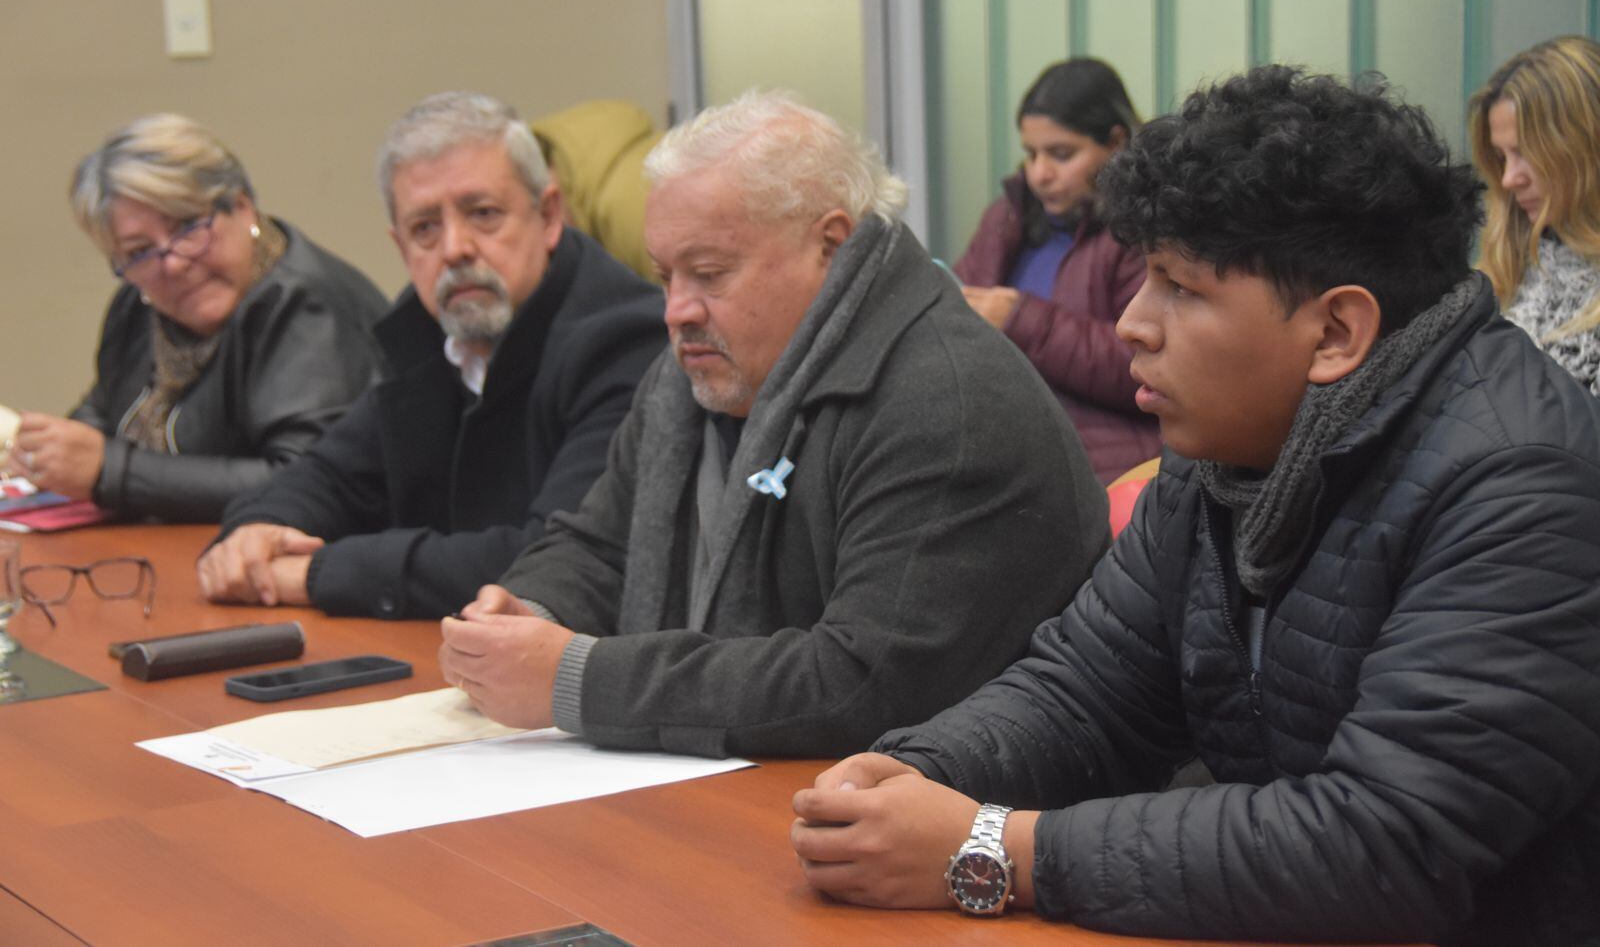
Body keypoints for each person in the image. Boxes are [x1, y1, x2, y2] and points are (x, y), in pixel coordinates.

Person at [791, 66, 1600, 946]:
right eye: (1144, 278)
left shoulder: (1522, 484)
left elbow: (1387, 845)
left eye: (1181, 287)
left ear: (1336, 333)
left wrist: (996, 847)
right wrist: (911, 776)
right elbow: (1087, 692)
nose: (1134, 322)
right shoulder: (1229, 451)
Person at [437, 90, 1109, 758]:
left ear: (831, 245)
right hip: (740, 783)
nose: (676, 310)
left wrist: (577, 679)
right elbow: (600, 542)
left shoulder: (947, 400)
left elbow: (860, 683)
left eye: (708, 272)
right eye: (665, 275)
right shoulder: (689, 376)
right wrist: (532, 610)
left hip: (926, 813)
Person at [196, 92, 665, 619]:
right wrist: (256, 533)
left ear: (550, 215)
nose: (454, 249)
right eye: (425, 228)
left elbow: (552, 559)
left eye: (483, 214)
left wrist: (316, 573)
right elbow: (331, 476)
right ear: (400, 247)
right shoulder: (429, 329)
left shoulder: (627, 341)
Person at [2, 115, 387, 522]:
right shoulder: (139, 304)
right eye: (138, 251)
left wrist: (110, 471)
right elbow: (105, 412)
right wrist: (48, 450)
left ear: (242, 208)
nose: (172, 263)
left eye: (187, 227)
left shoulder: (311, 306)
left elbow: (307, 482)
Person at [954, 57, 1158, 483]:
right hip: (1003, 460)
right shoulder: (1006, 220)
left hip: (1106, 471)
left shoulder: (1140, 232)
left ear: (1116, 142)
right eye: (1030, 154)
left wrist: (1019, 319)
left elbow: (1148, 363)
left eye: (1061, 154)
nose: (1039, 174)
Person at [1470, 34, 1600, 394]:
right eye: (1502, 157)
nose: (1510, 178)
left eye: (1526, 151)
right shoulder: (1506, 266)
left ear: (1586, 147)